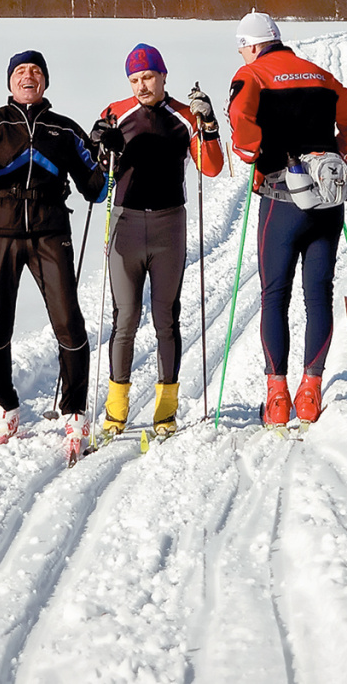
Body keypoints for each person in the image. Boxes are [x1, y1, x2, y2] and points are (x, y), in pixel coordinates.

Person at [0, 50, 107, 456]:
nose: (29, 76)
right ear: (10, 82)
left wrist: (109, 155)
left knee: (69, 323)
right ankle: (5, 407)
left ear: (45, 82)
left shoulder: (64, 130)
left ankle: (75, 411)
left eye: (37, 71)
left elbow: (96, 188)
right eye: (21, 71)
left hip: (50, 227)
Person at [227, 12, 347, 425]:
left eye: (242, 47)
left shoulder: (252, 73)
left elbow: (240, 120)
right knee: (318, 294)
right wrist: (341, 154)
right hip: (328, 199)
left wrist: (251, 151)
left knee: (275, 296)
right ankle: (310, 392)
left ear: (252, 45)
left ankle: (277, 398)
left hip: (282, 197)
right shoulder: (320, 75)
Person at [90, 43, 224, 437]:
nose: (141, 86)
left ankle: (166, 412)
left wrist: (209, 126)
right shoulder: (116, 112)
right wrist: (99, 142)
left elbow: (212, 168)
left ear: (163, 75)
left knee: (166, 318)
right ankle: (116, 413)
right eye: (134, 79)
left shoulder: (184, 116)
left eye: (148, 77)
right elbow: (98, 176)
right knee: (125, 317)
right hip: (125, 223)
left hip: (169, 225)